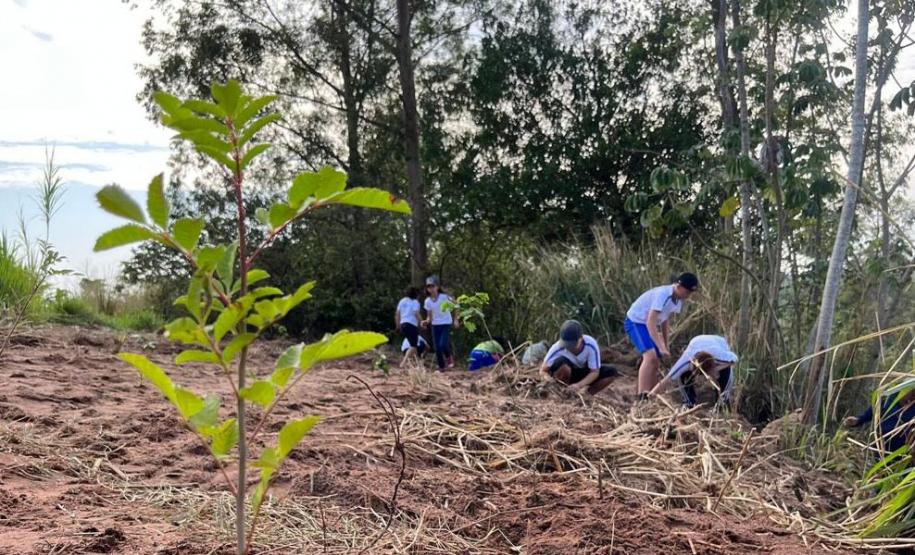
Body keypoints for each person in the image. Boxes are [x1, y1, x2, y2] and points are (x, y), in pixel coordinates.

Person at [625, 272, 699, 400]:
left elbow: (665, 320)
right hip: (636, 322)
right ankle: (641, 397)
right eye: (687, 292)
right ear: (679, 286)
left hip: (647, 324)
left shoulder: (678, 301)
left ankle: (652, 395)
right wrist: (661, 347)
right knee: (650, 356)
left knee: (656, 360)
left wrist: (665, 345)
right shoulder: (663, 294)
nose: (688, 296)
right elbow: (650, 322)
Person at [648, 335, 737, 408]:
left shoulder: (721, 356)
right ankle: (689, 403)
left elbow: (735, 360)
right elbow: (667, 379)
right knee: (683, 376)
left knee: (725, 376)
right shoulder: (685, 361)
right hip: (696, 343)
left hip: (718, 343)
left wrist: (716, 369)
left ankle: (722, 403)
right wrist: (650, 395)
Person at [539, 320, 619, 395]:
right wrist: (549, 380)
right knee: (562, 364)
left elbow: (594, 372)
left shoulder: (591, 345)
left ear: (580, 339)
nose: (569, 348)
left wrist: (578, 385)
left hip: (581, 375)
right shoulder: (557, 347)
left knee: (611, 372)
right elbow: (543, 370)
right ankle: (563, 392)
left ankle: (587, 395)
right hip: (564, 376)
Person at [843, 383, 915, 455]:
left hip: (903, 452)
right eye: (911, 392)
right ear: (903, 389)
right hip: (881, 447)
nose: (911, 397)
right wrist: (858, 420)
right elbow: (872, 412)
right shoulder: (888, 399)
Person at [422, 275, 459, 370]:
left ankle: (449, 357)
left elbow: (457, 305)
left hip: (446, 323)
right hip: (435, 325)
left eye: (433, 286)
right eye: (429, 287)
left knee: (443, 344)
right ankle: (441, 367)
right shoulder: (427, 301)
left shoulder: (444, 297)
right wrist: (426, 322)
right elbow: (429, 317)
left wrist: (456, 319)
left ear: (437, 287)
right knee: (436, 347)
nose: (431, 289)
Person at [395, 286, 423, 365]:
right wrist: (422, 322)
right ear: (417, 295)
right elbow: (416, 313)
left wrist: (397, 325)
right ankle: (403, 363)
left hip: (403, 324)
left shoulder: (402, 301)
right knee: (413, 346)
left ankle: (416, 362)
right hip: (411, 325)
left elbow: (397, 314)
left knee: (413, 344)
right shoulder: (415, 302)